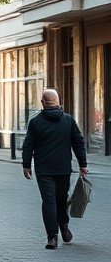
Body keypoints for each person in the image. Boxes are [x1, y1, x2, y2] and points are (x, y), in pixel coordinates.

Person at [21, 88, 88, 249]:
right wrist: (83, 164)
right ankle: (64, 226)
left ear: (43, 102)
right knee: (61, 199)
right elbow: (78, 142)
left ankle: (52, 237)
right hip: (63, 168)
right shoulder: (68, 120)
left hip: (44, 169)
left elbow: (28, 144)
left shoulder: (35, 122)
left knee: (48, 201)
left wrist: (26, 165)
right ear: (58, 102)